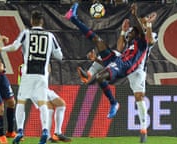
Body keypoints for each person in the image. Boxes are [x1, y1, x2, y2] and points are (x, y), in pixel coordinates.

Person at [66, 3, 156, 143]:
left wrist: (139, 19)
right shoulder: (130, 42)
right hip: (121, 61)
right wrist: (122, 31)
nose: (128, 34)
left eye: (131, 32)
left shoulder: (144, 38)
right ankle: (73, 18)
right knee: (98, 41)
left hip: (136, 70)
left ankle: (143, 129)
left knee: (139, 97)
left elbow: (148, 39)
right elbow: (119, 49)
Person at [0, 10, 63, 144]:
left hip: (28, 73)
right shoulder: (50, 36)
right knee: (43, 103)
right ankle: (45, 130)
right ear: (42, 22)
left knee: (21, 102)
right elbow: (59, 56)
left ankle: (20, 131)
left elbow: (14, 47)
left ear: (31, 21)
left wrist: (0, 49)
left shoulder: (26, 33)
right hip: (42, 75)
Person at [18, 64, 71, 143]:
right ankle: (48, 136)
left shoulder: (44, 62)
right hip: (35, 91)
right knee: (49, 107)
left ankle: (58, 133)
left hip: (45, 89)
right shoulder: (24, 67)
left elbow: (48, 70)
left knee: (61, 104)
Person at [0, 36, 16, 144]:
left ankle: (10, 131)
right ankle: (1, 136)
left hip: (1, 77)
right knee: (0, 108)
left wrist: (0, 64)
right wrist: (1, 38)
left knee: (11, 102)